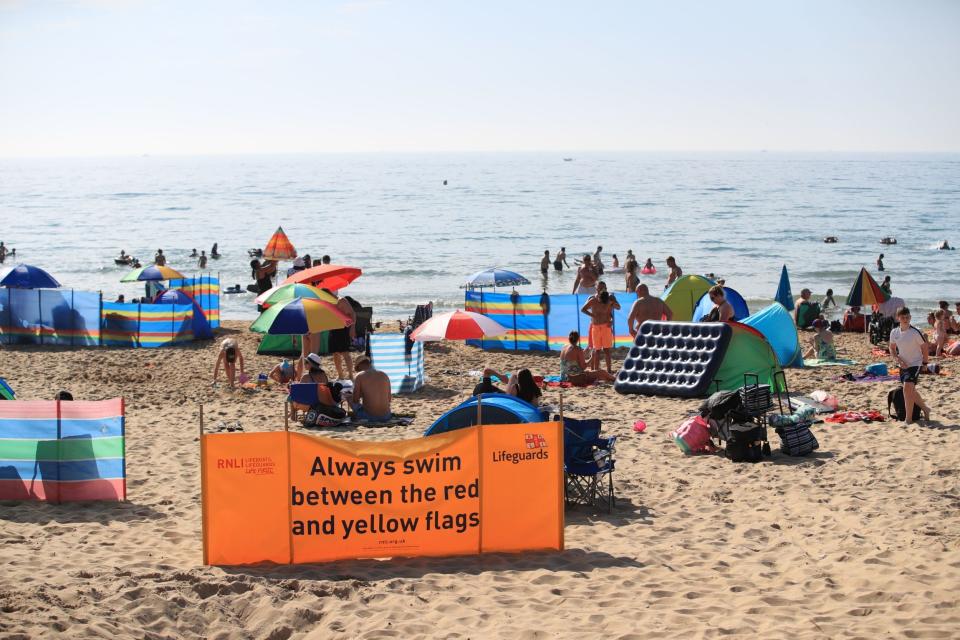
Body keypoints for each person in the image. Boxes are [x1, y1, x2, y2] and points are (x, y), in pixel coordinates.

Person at [888, 306, 931, 424]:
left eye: (907, 317)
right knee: (909, 390)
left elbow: (925, 347)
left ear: (910, 317)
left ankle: (908, 419)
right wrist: (897, 359)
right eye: (903, 317)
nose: (905, 319)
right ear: (898, 318)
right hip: (903, 364)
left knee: (907, 387)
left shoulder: (915, 332)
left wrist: (925, 363)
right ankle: (926, 409)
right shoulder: (894, 332)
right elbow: (891, 348)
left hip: (915, 363)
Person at [581, 282, 620, 373]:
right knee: (596, 350)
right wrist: (593, 315)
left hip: (606, 326)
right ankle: (595, 370)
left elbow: (618, 308)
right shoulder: (592, 299)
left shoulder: (610, 298)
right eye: (599, 288)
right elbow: (583, 309)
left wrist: (612, 303)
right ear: (596, 288)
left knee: (607, 350)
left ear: (606, 288)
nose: (601, 290)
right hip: (595, 326)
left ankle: (609, 370)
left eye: (603, 288)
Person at [350, 356, 392, 421]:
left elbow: (355, 400)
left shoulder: (359, 376)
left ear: (360, 366)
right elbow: (389, 399)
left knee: (349, 398)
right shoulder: (384, 374)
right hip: (386, 415)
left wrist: (349, 396)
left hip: (369, 416)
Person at [329, 292, 357, 380]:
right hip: (332, 328)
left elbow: (353, 314)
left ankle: (350, 375)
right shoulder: (327, 301)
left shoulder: (342, 300)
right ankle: (340, 375)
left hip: (343, 328)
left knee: (345, 353)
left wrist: (352, 328)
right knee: (335, 354)